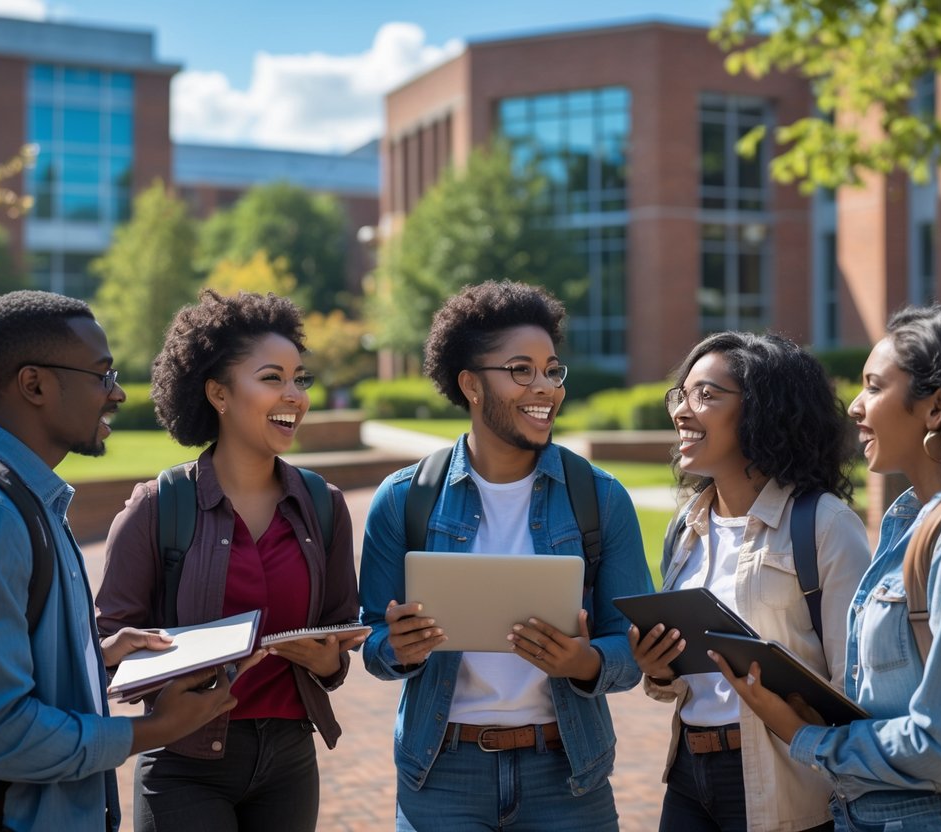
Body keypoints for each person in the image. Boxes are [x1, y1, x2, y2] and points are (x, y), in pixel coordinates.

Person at [710, 305, 941, 830]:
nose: (856, 406)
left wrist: (806, 737)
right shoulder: (911, 521)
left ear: (936, 408)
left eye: (874, 387)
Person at [0, 290, 247, 832]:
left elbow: (2, 671)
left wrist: (97, 659)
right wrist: (149, 732)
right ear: (34, 384)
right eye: (102, 375)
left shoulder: (27, 499)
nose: (119, 392)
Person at [359, 280, 654, 831]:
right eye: (522, 370)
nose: (545, 387)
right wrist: (398, 646)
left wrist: (584, 663)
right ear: (471, 383)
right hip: (441, 775)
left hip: (568, 775)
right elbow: (371, 640)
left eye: (551, 369)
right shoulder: (403, 499)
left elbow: (632, 649)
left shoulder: (600, 497)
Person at [96, 289, 364, 832]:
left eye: (300, 379)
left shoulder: (323, 506)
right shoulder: (157, 508)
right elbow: (106, 650)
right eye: (272, 378)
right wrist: (179, 667)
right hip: (184, 764)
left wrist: (325, 661)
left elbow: (339, 644)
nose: (295, 395)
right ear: (218, 392)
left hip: (290, 760)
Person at [629, 331, 870, 832]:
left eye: (707, 395)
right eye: (681, 394)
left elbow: (856, 684)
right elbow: (689, 677)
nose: (681, 411)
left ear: (765, 410)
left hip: (784, 780)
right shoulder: (686, 526)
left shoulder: (824, 523)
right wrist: (659, 669)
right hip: (688, 776)